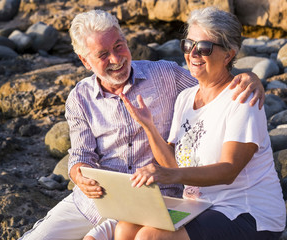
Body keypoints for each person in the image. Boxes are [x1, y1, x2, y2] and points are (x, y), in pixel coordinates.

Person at [19, 9, 265, 240]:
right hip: (96, 200)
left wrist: (250, 77)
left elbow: (213, 78)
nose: (116, 59)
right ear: (85, 61)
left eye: (119, 46)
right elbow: (81, 155)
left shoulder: (166, 76)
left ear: (126, 40)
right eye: (103, 55)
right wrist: (78, 174)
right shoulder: (80, 98)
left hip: (156, 199)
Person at [116, 6, 285, 240]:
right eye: (188, 45)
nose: (193, 54)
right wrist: (148, 127)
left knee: (150, 236)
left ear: (228, 54)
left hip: (247, 213)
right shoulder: (186, 98)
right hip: (198, 207)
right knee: (126, 228)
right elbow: (174, 165)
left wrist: (167, 175)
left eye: (204, 47)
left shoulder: (243, 98)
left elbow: (228, 171)